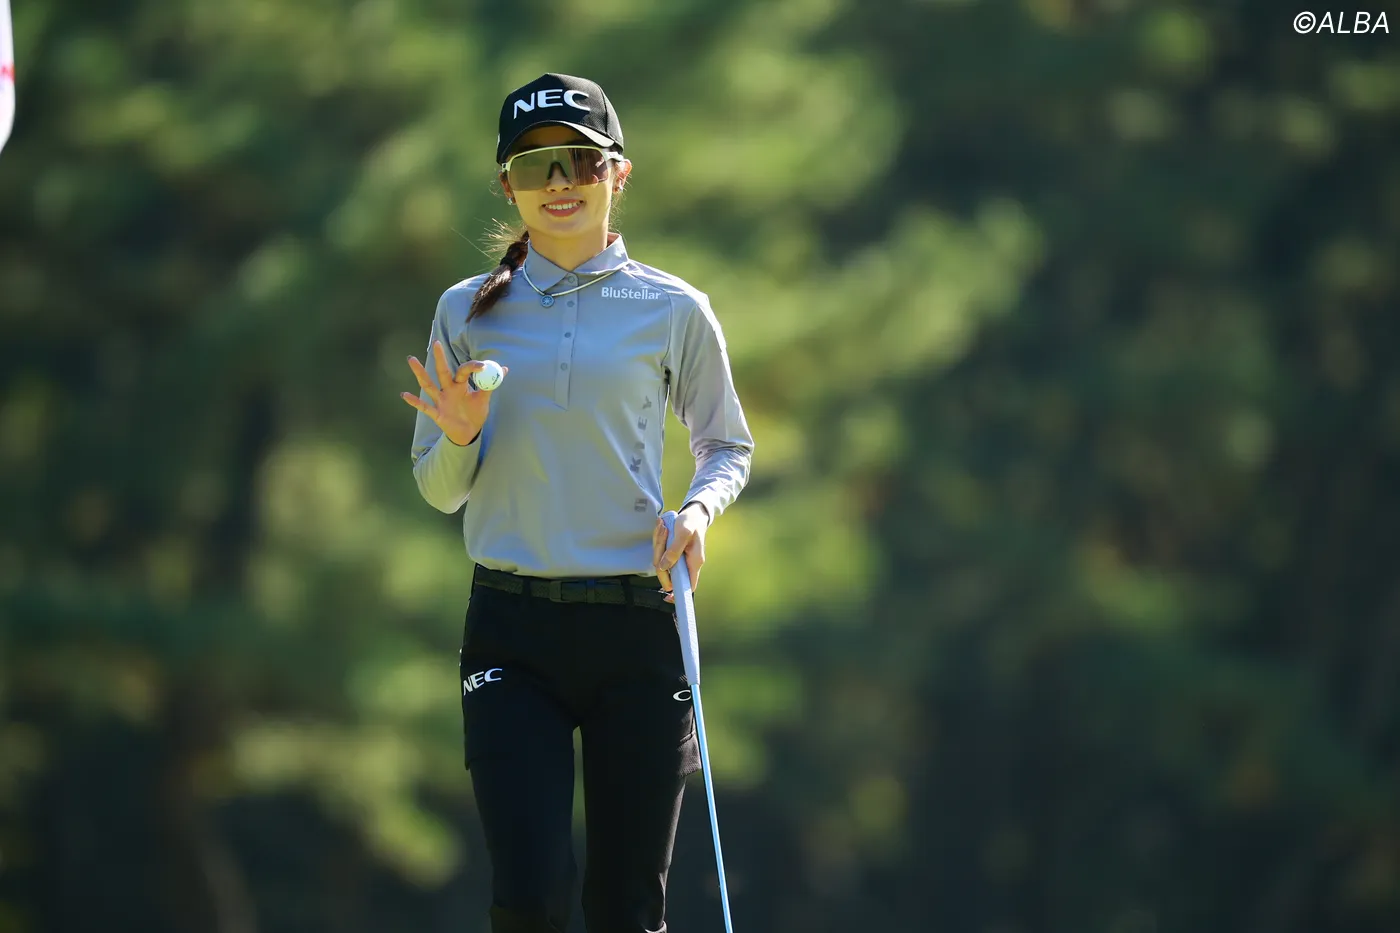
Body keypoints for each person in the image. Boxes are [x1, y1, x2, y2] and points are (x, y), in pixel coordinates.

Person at [400, 73, 755, 933]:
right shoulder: (465, 311)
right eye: (535, 166)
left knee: (626, 909)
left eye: (581, 162)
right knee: (529, 897)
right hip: (510, 633)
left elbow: (726, 445)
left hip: (637, 627)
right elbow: (439, 491)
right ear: (508, 186)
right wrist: (460, 436)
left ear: (617, 174)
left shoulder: (671, 308)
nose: (559, 183)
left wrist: (698, 511)